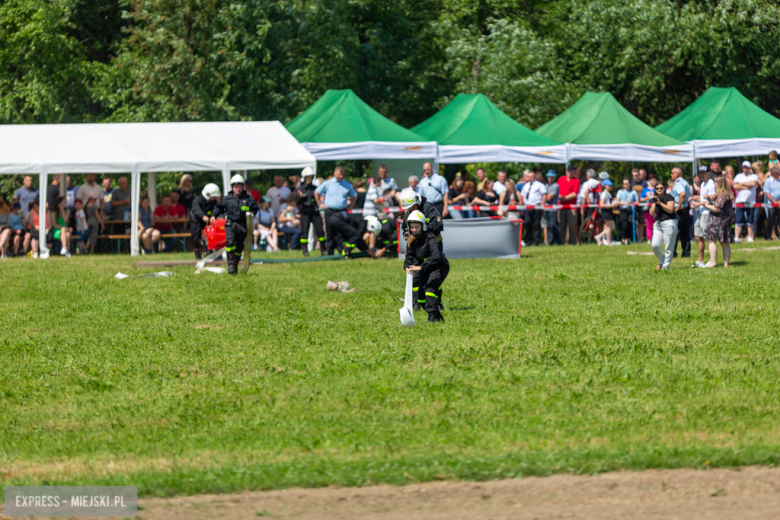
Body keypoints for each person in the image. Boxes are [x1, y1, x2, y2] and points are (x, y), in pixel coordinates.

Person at [404, 210, 449, 323]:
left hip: (439, 266)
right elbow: (409, 256)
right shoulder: (411, 240)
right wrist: (407, 267)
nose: (414, 229)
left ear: (422, 226)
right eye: (412, 227)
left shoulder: (430, 238)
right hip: (426, 268)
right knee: (421, 297)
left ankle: (432, 319)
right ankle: (437, 317)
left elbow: (435, 256)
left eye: (417, 227)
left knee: (429, 290)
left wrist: (420, 267)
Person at [211, 174, 260, 274]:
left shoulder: (249, 199)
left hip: (243, 226)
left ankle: (235, 263)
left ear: (243, 187)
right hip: (230, 224)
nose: (237, 189)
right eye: (235, 186)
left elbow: (255, 208)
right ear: (232, 187)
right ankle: (231, 263)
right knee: (230, 242)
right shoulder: (226, 199)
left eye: (239, 186)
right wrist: (213, 215)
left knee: (239, 248)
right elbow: (218, 207)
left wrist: (252, 214)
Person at [315, 166, 365, 257]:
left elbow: (354, 195)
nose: (341, 176)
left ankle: (341, 252)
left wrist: (350, 206)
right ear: (335, 173)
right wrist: (319, 204)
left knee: (341, 234)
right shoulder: (328, 183)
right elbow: (316, 192)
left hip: (341, 212)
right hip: (330, 211)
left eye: (342, 174)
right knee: (330, 233)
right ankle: (330, 254)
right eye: (339, 174)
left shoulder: (347, 184)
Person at [700, 175, 734, 268]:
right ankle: (725, 265)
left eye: (715, 181)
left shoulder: (722, 194)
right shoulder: (725, 193)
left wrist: (706, 205)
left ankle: (713, 262)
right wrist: (710, 200)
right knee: (724, 243)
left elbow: (717, 208)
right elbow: (719, 204)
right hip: (724, 221)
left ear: (719, 183)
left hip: (717, 221)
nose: (713, 183)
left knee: (711, 240)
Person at [296, 167, 326, 256]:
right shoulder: (300, 189)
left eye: (311, 177)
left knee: (320, 231)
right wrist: (300, 197)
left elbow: (319, 198)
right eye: (307, 177)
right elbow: (297, 202)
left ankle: (323, 250)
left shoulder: (316, 188)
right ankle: (305, 250)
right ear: (304, 178)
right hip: (305, 212)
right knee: (304, 232)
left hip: (315, 212)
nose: (309, 179)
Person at [689, 165, 716, 268]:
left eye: (704, 173)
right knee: (698, 236)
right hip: (701, 213)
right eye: (700, 173)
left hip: (707, 213)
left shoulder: (710, 184)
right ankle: (700, 261)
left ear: (709, 173)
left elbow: (711, 199)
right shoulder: (703, 184)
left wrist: (698, 204)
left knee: (708, 238)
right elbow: (701, 197)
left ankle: (711, 260)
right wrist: (692, 197)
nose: (701, 174)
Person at [649, 181, 678, 270]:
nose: (659, 190)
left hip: (669, 222)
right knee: (655, 245)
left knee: (668, 246)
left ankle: (665, 267)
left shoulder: (669, 197)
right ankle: (662, 261)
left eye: (661, 188)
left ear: (664, 188)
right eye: (657, 188)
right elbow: (651, 213)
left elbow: (670, 210)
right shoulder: (655, 199)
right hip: (658, 224)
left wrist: (660, 203)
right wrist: (654, 203)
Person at [190, 183, 221, 259]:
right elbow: (196, 209)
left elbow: (215, 209)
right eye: (214, 196)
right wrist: (203, 216)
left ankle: (209, 254)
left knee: (210, 236)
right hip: (196, 221)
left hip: (207, 221)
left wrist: (213, 216)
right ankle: (198, 257)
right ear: (208, 195)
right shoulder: (197, 200)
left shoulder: (213, 202)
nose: (215, 198)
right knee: (196, 237)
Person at [733, 160, 759, 243]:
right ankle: (736, 237)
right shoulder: (738, 176)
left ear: (750, 168)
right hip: (740, 201)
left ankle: (750, 236)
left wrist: (742, 183)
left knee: (750, 220)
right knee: (739, 220)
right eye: (744, 167)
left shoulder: (754, 176)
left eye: (747, 167)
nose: (745, 169)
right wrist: (746, 187)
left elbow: (753, 184)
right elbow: (735, 186)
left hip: (751, 202)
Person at [519, 170, 546, 246]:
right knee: (527, 223)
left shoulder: (539, 185)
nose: (530, 178)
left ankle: (536, 241)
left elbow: (544, 194)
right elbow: (522, 196)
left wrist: (542, 203)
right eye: (528, 176)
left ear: (534, 177)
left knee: (537, 224)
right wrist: (523, 203)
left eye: (531, 176)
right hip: (528, 207)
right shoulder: (526, 185)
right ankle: (528, 241)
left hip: (536, 206)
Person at [670, 167, 692, 257]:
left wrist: (678, 207)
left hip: (680, 210)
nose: (671, 174)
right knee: (684, 232)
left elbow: (682, 194)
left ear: (677, 174)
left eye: (672, 173)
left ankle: (673, 253)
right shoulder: (684, 182)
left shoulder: (679, 183)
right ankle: (686, 253)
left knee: (674, 231)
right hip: (685, 209)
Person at [557, 165, 580, 245]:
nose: (569, 173)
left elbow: (574, 193)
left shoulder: (576, 181)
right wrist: (559, 197)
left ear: (574, 172)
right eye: (568, 171)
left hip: (571, 206)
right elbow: (557, 190)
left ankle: (572, 241)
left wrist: (564, 198)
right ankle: (561, 241)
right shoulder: (561, 179)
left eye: (571, 171)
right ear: (566, 171)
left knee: (572, 224)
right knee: (561, 224)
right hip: (561, 206)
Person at [615, 178, 639, 244]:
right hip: (623, 209)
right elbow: (618, 201)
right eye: (624, 184)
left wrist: (632, 203)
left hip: (631, 210)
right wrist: (625, 203)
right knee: (624, 224)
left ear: (630, 184)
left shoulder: (633, 192)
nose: (625, 185)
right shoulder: (620, 191)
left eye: (626, 183)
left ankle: (628, 239)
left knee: (630, 225)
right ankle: (623, 239)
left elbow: (637, 201)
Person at [595, 180, 617, 245]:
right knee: (609, 227)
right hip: (606, 212)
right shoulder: (604, 194)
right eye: (608, 185)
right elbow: (601, 204)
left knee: (612, 227)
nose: (610, 186)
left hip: (609, 211)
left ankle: (599, 236)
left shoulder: (608, 193)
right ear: (605, 186)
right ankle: (608, 241)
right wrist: (611, 205)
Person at [542, 170, 561, 245]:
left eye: (551, 177)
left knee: (553, 226)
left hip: (552, 209)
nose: (550, 178)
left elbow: (549, 198)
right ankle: (551, 241)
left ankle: (558, 241)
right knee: (548, 226)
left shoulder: (555, 186)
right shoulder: (546, 186)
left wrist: (543, 196)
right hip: (546, 208)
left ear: (555, 177)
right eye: (549, 177)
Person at [763, 166, 780, 240]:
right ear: (774, 173)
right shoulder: (768, 181)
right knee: (770, 220)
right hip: (771, 204)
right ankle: (767, 235)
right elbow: (767, 193)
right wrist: (775, 202)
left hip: (779, 203)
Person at [640, 176, 657, 242]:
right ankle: (649, 239)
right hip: (647, 209)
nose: (654, 181)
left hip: (656, 208)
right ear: (649, 181)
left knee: (656, 224)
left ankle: (657, 238)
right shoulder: (645, 189)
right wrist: (648, 198)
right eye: (653, 180)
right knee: (649, 224)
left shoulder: (657, 189)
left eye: (655, 180)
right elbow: (641, 199)